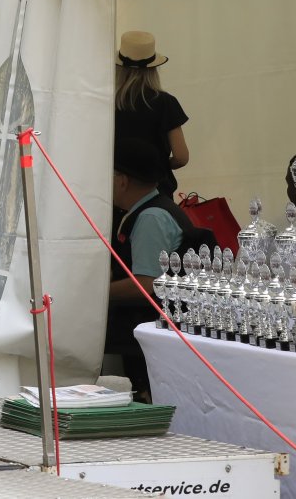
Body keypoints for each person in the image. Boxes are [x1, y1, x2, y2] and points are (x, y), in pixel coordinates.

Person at [105, 135, 191, 398]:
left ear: (122, 181)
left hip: (150, 329)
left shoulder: (151, 218)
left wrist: (97, 295)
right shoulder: (147, 210)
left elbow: (146, 284)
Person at [115, 30, 189, 197]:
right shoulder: (166, 102)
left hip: (118, 191)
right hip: (156, 191)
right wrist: (160, 165)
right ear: (154, 69)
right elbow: (181, 157)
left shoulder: (108, 104)